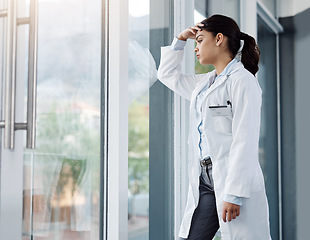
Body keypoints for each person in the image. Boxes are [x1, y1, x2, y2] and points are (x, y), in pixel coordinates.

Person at [157, 14, 271, 240]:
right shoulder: (205, 83)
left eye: (199, 40)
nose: (195, 47)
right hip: (205, 180)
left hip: (232, 179)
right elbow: (167, 75)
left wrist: (235, 194)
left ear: (219, 39)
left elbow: (244, 140)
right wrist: (180, 39)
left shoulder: (242, 81)